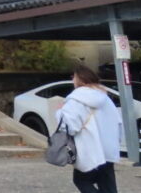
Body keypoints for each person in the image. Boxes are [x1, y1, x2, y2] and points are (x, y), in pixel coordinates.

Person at [57, 64, 122, 193]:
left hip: (89, 149)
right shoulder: (105, 98)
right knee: (107, 186)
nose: (72, 80)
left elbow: (71, 127)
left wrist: (59, 113)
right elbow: (118, 123)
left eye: (73, 77)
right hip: (108, 149)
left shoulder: (76, 100)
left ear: (79, 79)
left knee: (81, 180)